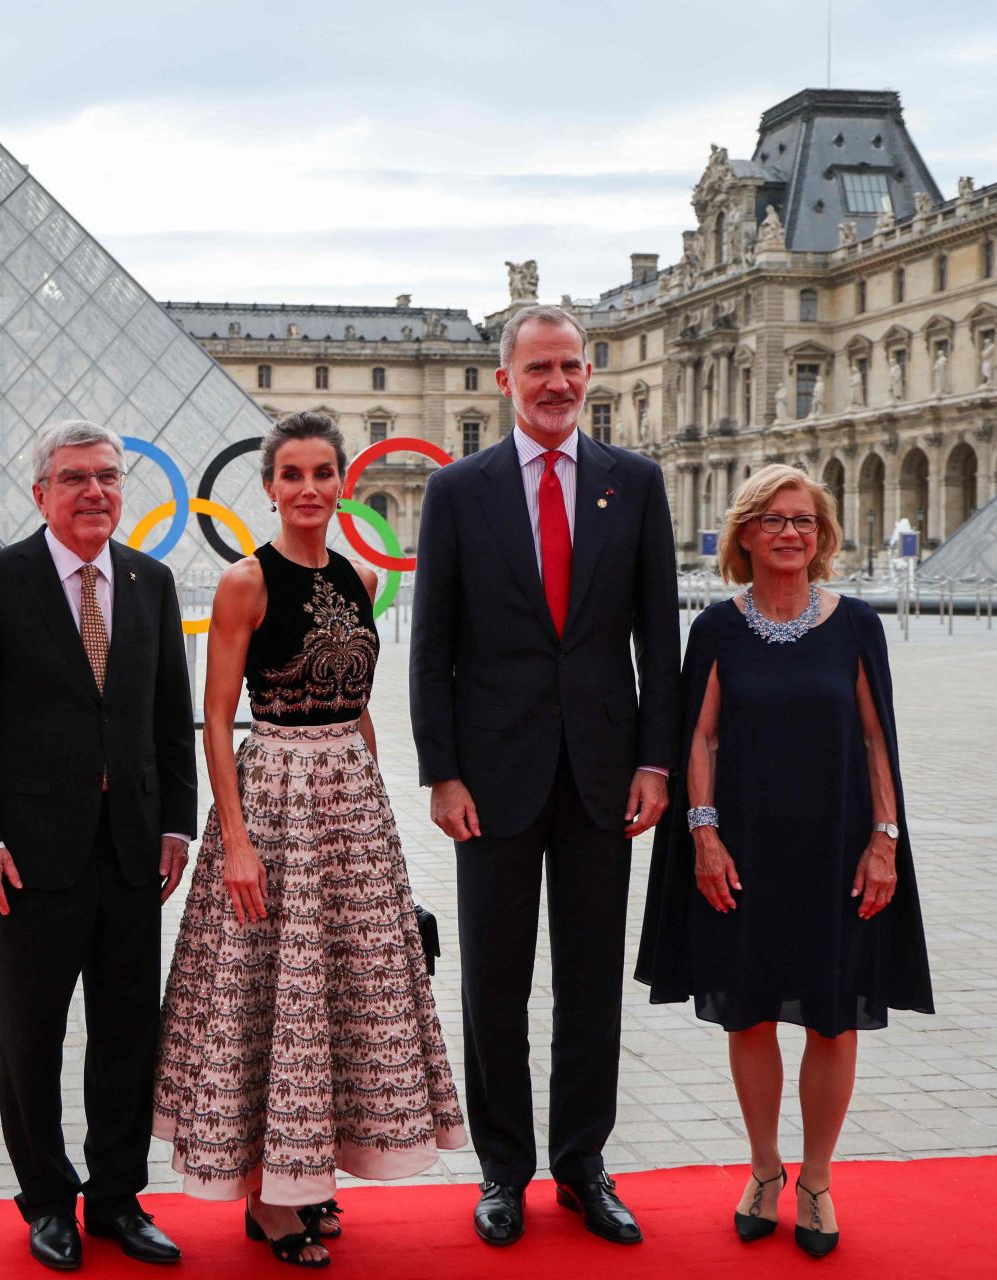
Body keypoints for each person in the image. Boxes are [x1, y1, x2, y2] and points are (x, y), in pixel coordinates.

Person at [155, 412, 465, 1269]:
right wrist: (239, 844)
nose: (308, 489)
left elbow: (358, 702)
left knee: (335, 990)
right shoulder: (246, 582)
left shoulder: (360, 576)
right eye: (291, 474)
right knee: (267, 992)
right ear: (270, 487)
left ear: (341, 484)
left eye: (322, 473)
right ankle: (264, 1197)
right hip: (273, 797)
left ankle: (308, 1175)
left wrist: (373, 804)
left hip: (349, 809)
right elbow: (218, 719)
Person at [409, 304, 680, 1249]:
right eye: (539, 370)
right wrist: (441, 773)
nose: (557, 383)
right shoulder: (458, 491)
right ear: (505, 381)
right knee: (493, 978)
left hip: (605, 774)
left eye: (570, 367)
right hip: (492, 776)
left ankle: (581, 1163)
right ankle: (501, 1169)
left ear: (590, 372)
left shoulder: (636, 484)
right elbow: (431, 643)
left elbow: (658, 635)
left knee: (591, 978)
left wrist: (657, 760)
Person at [635, 464, 933, 1259]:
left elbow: (878, 739)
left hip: (839, 846)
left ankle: (817, 1180)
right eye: (772, 519)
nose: (790, 532)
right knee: (751, 1008)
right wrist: (703, 834)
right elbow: (697, 736)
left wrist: (885, 841)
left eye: (803, 519)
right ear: (744, 533)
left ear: (823, 533)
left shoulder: (857, 624)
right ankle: (765, 1169)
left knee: (833, 1017)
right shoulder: (717, 629)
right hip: (745, 848)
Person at [0, 419, 198, 1272]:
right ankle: (48, 1200)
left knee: (129, 1032)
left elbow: (170, 714)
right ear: (40, 492)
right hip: (28, 858)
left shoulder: (151, 580)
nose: (95, 491)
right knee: (33, 1038)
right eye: (75, 477)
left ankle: (118, 1198)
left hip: (131, 853)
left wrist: (175, 825)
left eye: (108, 477)